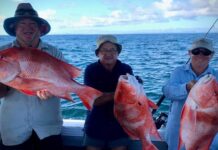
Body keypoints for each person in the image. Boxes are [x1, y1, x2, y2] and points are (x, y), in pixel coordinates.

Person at [0, 3, 63, 150]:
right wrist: (7, 82)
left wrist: (52, 91)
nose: (27, 27)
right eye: (21, 23)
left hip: (48, 126)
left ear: (40, 29)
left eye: (32, 23)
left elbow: (62, 83)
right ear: (14, 29)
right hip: (13, 126)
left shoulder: (54, 53)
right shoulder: (2, 55)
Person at [162, 38, 218, 150]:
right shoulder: (178, 72)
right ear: (189, 53)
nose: (200, 55)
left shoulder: (215, 76)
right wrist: (186, 87)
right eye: (196, 52)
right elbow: (167, 91)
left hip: (207, 130)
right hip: (177, 130)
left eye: (205, 52)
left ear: (211, 55)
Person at [83, 35, 134, 150]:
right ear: (98, 53)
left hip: (120, 125)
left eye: (112, 50)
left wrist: (136, 86)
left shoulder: (126, 69)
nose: (108, 53)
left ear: (118, 52)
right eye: (104, 50)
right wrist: (121, 90)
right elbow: (94, 101)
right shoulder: (90, 70)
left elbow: (131, 97)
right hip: (95, 124)